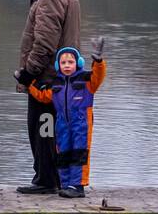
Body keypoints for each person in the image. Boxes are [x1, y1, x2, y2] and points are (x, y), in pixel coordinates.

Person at [13, 0, 81, 194]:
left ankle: (45, 180)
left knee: (41, 129)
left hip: (46, 80)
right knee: (54, 130)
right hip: (63, 78)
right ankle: (54, 177)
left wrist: (29, 74)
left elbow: (44, 43)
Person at [26, 40, 106, 198]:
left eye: (71, 62)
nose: (67, 65)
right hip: (62, 124)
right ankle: (65, 185)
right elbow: (42, 96)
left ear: (78, 63)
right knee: (63, 153)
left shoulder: (86, 80)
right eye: (63, 62)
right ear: (58, 65)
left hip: (81, 123)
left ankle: (78, 186)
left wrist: (98, 61)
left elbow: (99, 76)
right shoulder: (56, 84)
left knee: (79, 153)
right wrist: (28, 83)